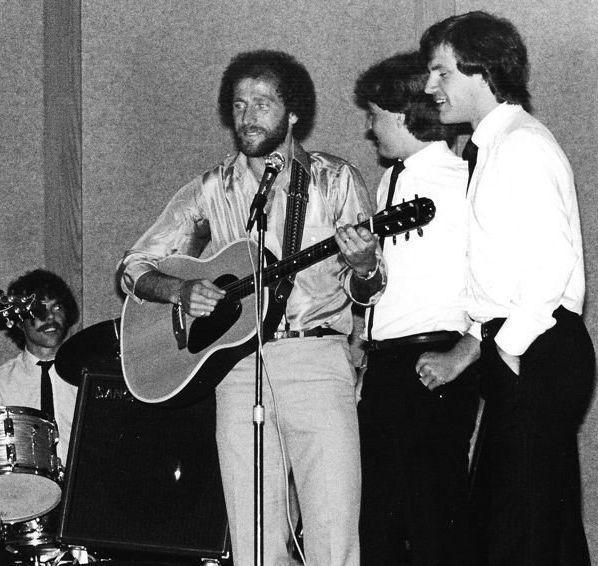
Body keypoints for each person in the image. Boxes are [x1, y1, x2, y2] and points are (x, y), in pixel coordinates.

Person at [118, 50, 384, 566]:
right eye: (239, 105)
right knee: (253, 539)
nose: (248, 116)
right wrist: (179, 291)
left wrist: (366, 264)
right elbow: (133, 266)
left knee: (332, 530)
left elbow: (369, 290)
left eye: (263, 103)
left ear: (294, 113)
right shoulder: (211, 189)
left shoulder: (335, 180)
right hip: (237, 370)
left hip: (317, 361)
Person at [419, 11, 593, 564]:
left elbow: (550, 267)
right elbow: (500, 277)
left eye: (441, 72)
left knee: (516, 534)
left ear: (482, 71)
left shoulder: (520, 146)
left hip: (535, 348)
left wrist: (509, 349)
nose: (430, 87)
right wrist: (478, 348)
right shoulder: (496, 146)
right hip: (528, 349)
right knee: (542, 531)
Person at [352, 51, 479, 565]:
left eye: (373, 114)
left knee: (434, 518)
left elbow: (492, 278)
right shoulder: (390, 181)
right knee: (379, 518)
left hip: (433, 363)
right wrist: (363, 277)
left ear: (402, 114)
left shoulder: (461, 179)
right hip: (388, 366)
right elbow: (382, 287)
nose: (368, 128)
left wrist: (464, 352)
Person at [0, 269, 80, 463]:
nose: (50, 317)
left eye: (57, 308)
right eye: (39, 311)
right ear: (19, 322)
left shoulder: (87, 374)